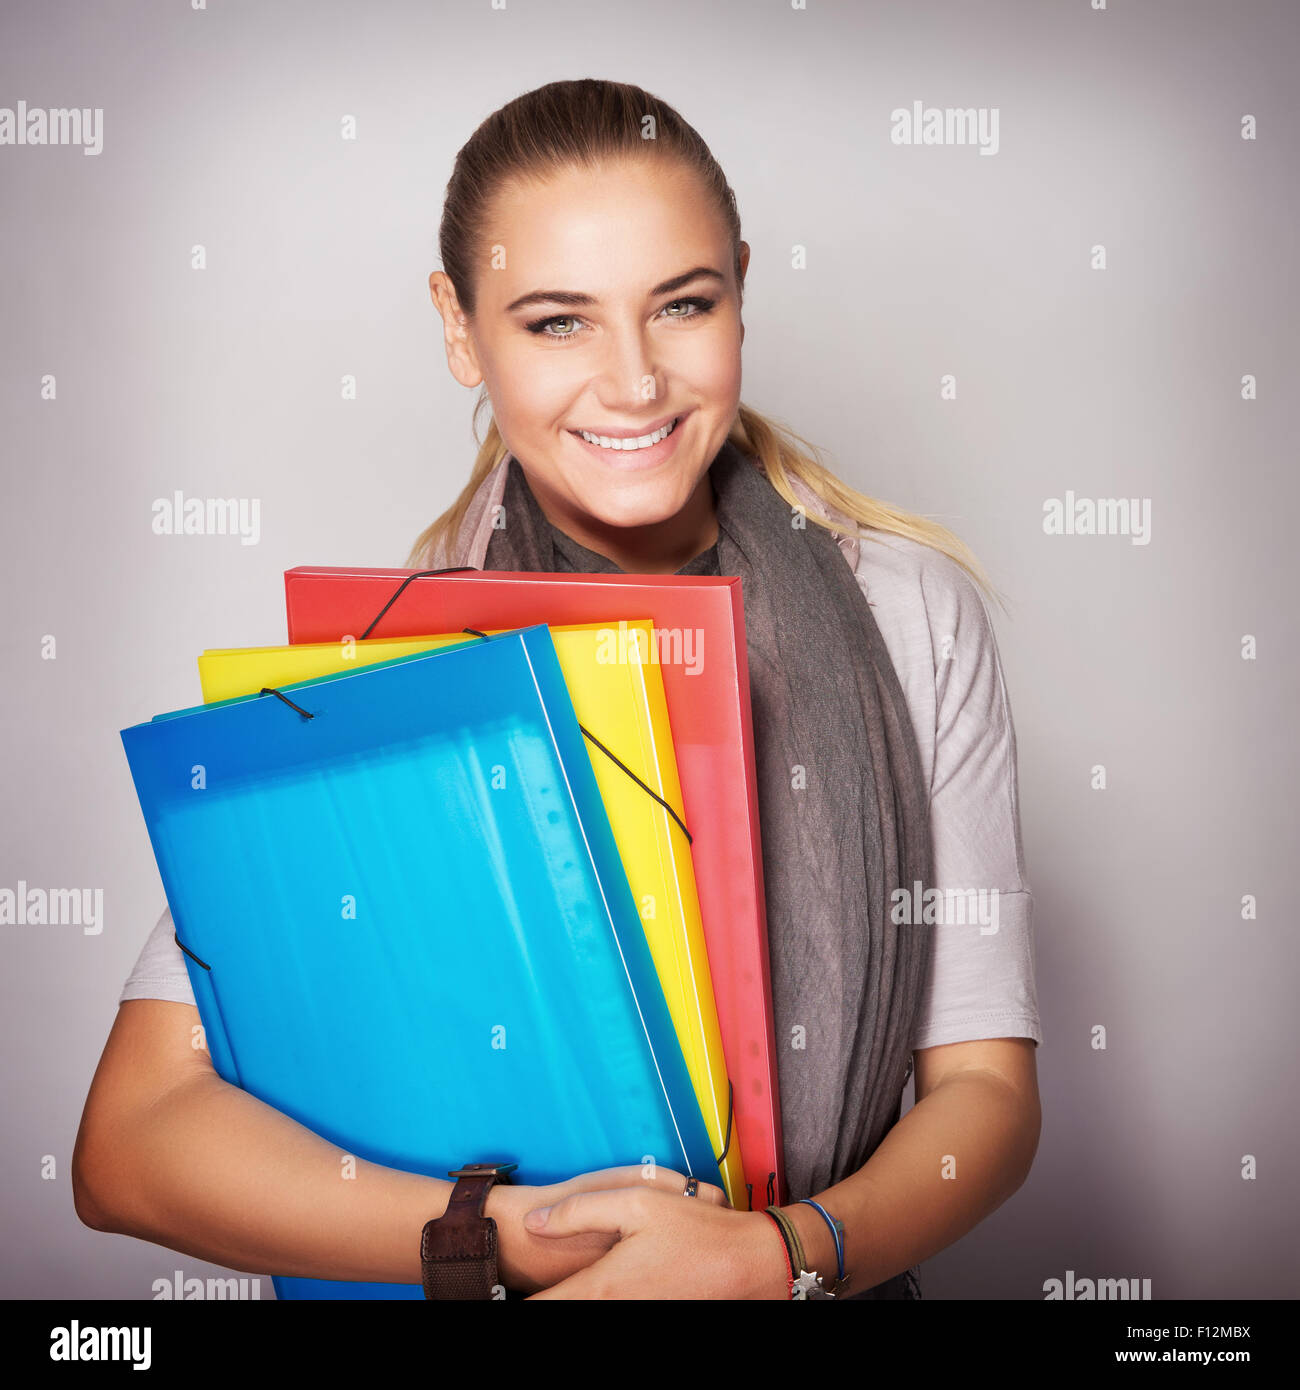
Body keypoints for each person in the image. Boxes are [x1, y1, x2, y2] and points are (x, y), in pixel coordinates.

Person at [75, 78, 1041, 1300]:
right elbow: (129, 1146)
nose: (634, 384)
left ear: (740, 284)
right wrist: (503, 1237)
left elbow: (986, 1097)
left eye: (682, 304)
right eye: (556, 322)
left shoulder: (910, 610)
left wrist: (778, 1257)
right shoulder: (390, 669)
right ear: (458, 327)